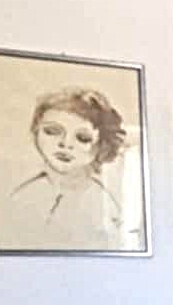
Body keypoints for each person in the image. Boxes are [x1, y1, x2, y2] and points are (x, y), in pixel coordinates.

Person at [8, 87, 136, 250]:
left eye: (82, 138)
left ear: (102, 146)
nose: (65, 143)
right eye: (52, 131)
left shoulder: (103, 203)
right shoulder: (23, 195)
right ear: (36, 132)